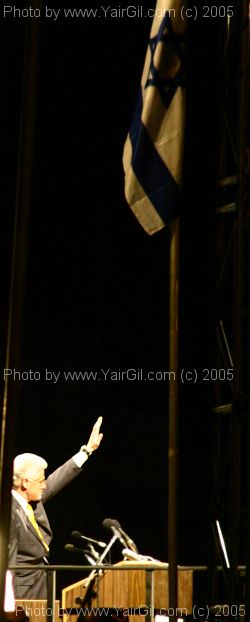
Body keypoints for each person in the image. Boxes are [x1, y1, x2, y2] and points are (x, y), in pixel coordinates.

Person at [8, 416, 103, 600]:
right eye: (41, 481)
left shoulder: (33, 498)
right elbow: (7, 567)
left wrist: (87, 450)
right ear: (25, 483)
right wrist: (9, 607)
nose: (45, 485)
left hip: (41, 584)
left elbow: (58, 478)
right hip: (21, 594)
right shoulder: (8, 514)